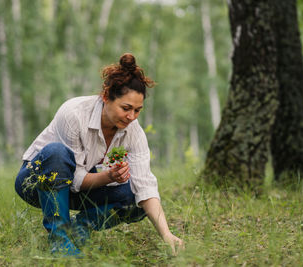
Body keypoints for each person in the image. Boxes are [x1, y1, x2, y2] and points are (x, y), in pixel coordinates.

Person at [15, 53, 184, 257]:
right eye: (126, 108)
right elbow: (73, 179)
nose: (132, 117)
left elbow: (146, 186)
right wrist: (108, 177)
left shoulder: (134, 131)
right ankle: (59, 240)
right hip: (38, 181)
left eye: (138, 110)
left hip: (79, 187)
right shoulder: (73, 113)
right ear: (105, 97)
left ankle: (80, 228)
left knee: (137, 198)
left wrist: (166, 235)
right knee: (56, 152)